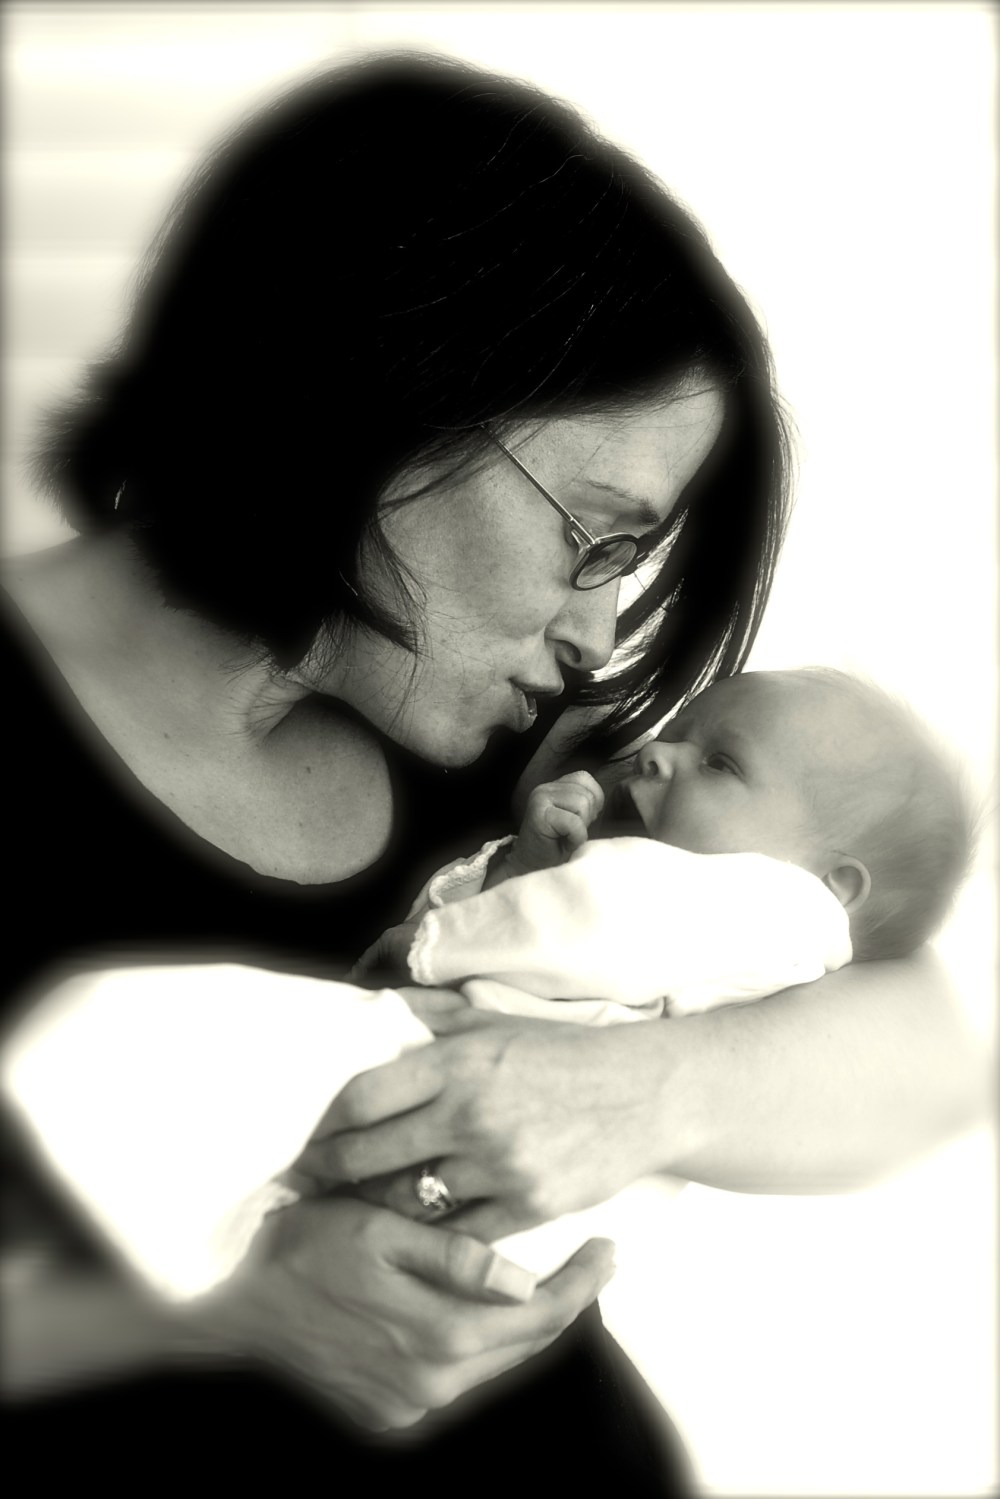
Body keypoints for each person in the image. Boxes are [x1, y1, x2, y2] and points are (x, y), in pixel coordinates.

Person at [0, 51, 985, 1492]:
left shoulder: (534, 772)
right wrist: (215, 1313)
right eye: (596, 541)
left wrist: (643, 1089)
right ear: (389, 400)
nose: (599, 634)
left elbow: (935, 1046)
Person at [6, 666, 973, 1302]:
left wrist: (429, 947)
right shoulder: (743, 920)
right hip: (507, 1222)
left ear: (838, 883)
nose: (658, 750)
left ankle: (72, 1145)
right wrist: (523, 867)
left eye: (721, 762)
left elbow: (584, 923)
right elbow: (550, 926)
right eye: (684, 729)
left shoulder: (766, 906)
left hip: (472, 1123)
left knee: (200, 1043)